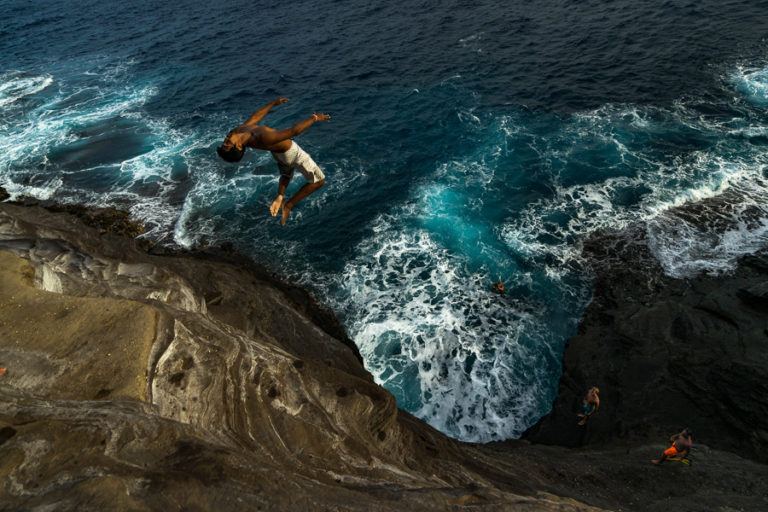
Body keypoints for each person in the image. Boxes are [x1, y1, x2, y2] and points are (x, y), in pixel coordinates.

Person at [217, 97, 330, 225]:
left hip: (278, 154)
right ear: (238, 146)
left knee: (286, 174)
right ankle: (289, 205)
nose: (226, 140)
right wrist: (315, 118)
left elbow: (255, 117)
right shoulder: (262, 137)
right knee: (319, 181)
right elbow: (294, 131)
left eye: (224, 143)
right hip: (291, 152)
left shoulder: (239, 130)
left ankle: (280, 197)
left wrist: (272, 103)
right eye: (227, 144)